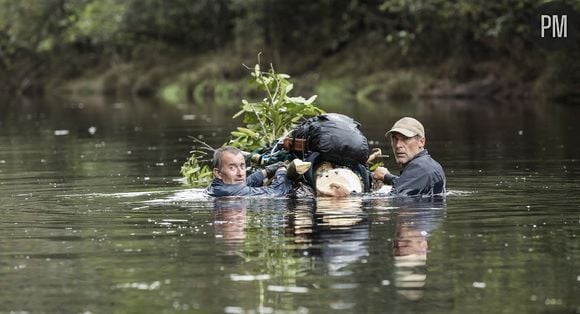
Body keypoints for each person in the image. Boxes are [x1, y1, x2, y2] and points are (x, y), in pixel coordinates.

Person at [372, 117, 446, 197]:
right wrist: (386, 177)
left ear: (421, 142)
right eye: (395, 139)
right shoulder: (430, 165)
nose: (398, 145)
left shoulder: (419, 168)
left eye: (405, 139)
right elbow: (411, 184)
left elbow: (395, 198)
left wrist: (377, 200)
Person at [206, 146, 292, 197]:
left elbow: (245, 182)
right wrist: (282, 172)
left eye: (242, 166)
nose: (240, 173)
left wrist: (267, 170)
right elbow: (277, 192)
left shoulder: (218, 186)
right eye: (232, 168)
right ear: (218, 173)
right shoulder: (229, 192)